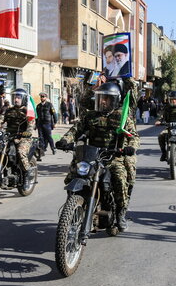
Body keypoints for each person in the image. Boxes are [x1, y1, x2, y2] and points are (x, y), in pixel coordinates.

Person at [56, 83, 138, 231]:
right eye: (101, 98)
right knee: (73, 175)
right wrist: (64, 140)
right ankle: (74, 205)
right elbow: (76, 130)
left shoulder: (122, 116)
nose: (103, 101)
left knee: (120, 179)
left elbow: (133, 136)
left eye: (106, 98)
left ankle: (120, 213)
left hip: (113, 156)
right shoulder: (90, 115)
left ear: (114, 100)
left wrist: (130, 147)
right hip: (91, 155)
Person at [0, 88, 35, 173]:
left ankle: (27, 173)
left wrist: (28, 132)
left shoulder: (27, 112)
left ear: (23, 99)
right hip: (9, 136)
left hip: (23, 137)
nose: (16, 99)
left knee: (21, 151)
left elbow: (31, 125)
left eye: (18, 97)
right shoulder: (9, 110)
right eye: (15, 97)